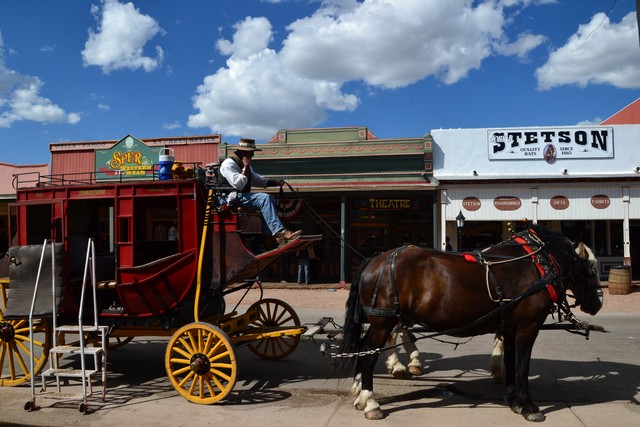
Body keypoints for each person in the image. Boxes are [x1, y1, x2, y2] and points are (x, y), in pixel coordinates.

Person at [220, 138, 301, 247]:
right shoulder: (228, 164)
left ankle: (268, 237)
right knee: (264, 199)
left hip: (240, 197)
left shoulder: (244, 165)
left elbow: (257, 180)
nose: (253, 155)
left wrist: (275, 183)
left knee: (270, 198)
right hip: (230, 198)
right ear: (243, 152)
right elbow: (238, 184)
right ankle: (280, 232)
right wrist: (246, 166)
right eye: (251, 152)